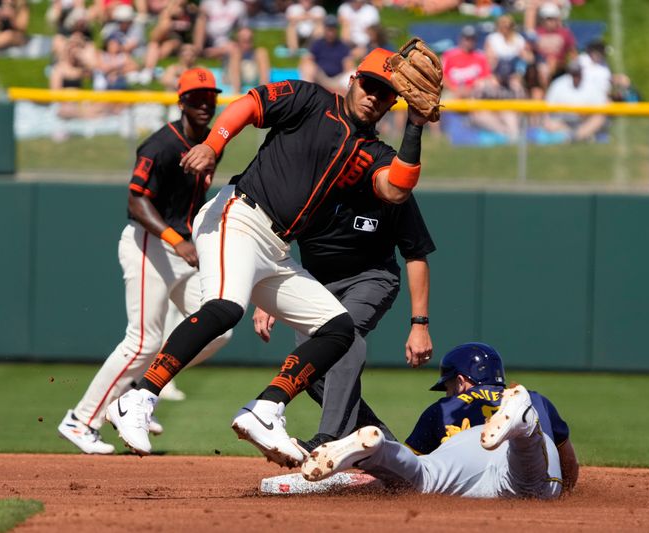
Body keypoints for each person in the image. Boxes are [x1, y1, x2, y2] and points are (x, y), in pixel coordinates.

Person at [106, 47, 433, 467]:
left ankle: (265, 409)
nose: (375, 96)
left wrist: (416, 126)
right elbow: (250, 103)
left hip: (276, 248)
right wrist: (212, 143)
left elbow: (396, 189)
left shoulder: (375, 151)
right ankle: (138, 397)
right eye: (370, 85)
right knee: (225, 308)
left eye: (387, 94)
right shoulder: (311, 99)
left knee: (338, 330)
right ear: (353, 81)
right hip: (238, 216)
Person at [57, 68, 231, 454]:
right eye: (196, 97)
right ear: (181, 101)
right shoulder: (162, 145)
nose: (204, 103)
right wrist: (175, 239)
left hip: (182, 249)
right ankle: (81, 420)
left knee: (218, 328)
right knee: (143, 341)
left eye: (209, 96)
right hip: (149, 244)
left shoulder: (209, 144)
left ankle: (136, 392)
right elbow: (135, 202)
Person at [252, 189, 435, 451]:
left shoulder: (390, 185)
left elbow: (415, 253)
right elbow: (274, 239)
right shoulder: (313, 182)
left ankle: (330, 439)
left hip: (371, 277)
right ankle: (391, 451)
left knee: (344, 335)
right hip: (314, 283)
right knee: (312, 370)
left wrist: (420, 324)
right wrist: (267, 297)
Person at [301, 342, 580, 500]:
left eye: (447, 385)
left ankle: (377, 449)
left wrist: (371, 474)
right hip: (517, 453)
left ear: (460, 382)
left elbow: (403, 473)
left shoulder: (444, 407)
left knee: (424, 476)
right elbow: (569, 463)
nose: (448, 391)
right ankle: (525, 426)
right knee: (531, 486)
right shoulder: (536, 397)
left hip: (463, 449)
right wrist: (566, 491)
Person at [544, 59, 608, 142]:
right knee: (549, 122)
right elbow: (548, 107)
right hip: (563, 121)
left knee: (599, 118)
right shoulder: (558, 84)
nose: (576, 76)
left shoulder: (591, 84)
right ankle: (577, 136)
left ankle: (576, 136)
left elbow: (602, 106)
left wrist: (587, 112)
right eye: (573, 73)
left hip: (584, 121)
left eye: (577, 73)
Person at [298, 14, 354, 95]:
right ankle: (305, 95)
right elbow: (307, 59)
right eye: (329, 29)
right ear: (324, 29)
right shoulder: (317, 43)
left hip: (338, 79)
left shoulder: (343, 45)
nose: (330, 33)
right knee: (308, 67)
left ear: (336, 30)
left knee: (352, 74)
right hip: (321, 78)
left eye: (333, 30)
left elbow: (349, 65)